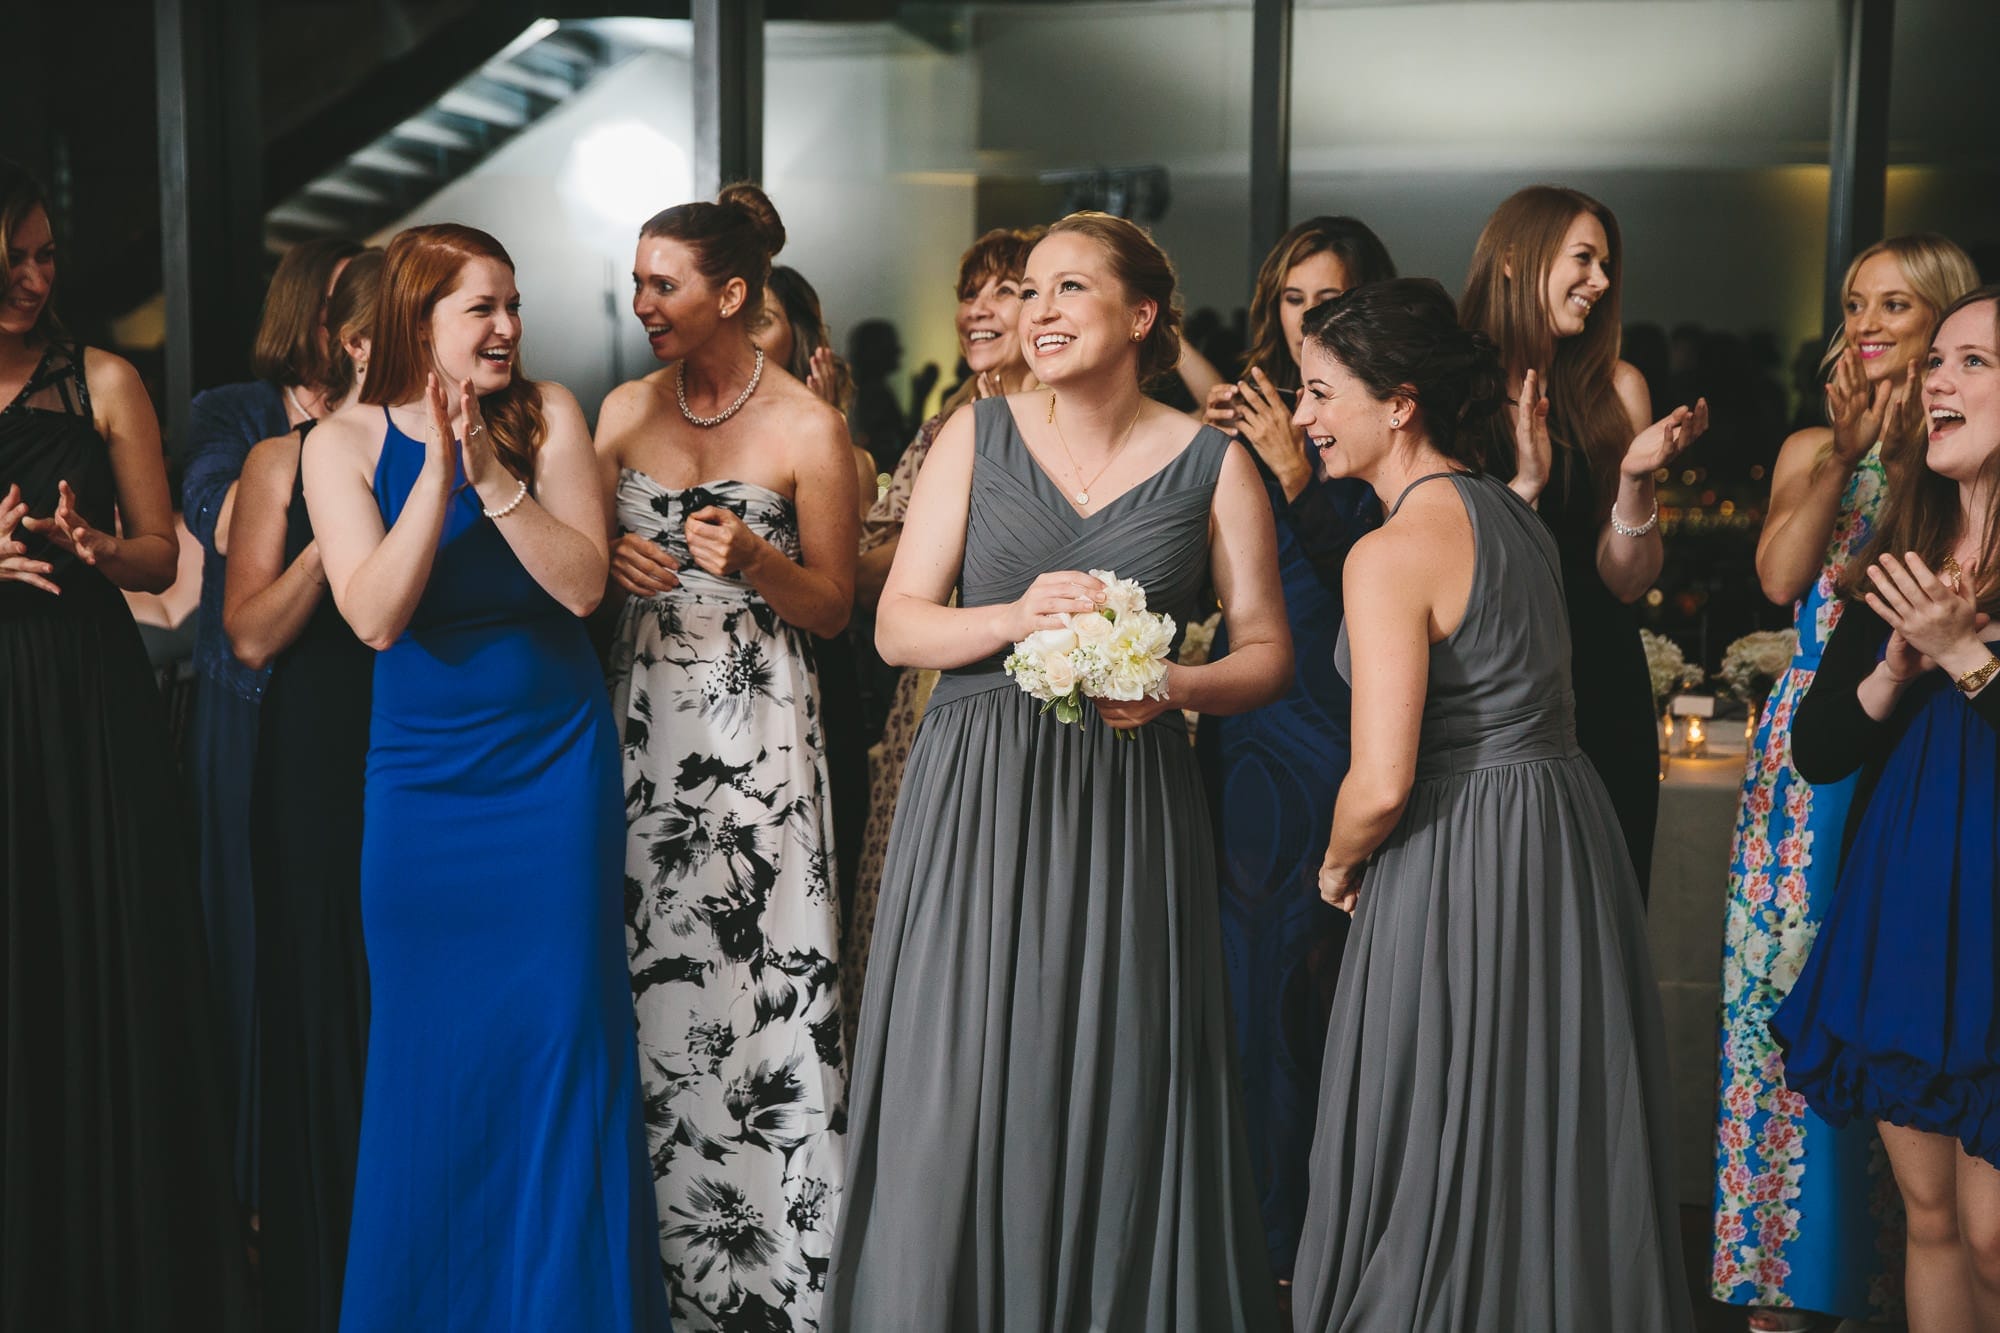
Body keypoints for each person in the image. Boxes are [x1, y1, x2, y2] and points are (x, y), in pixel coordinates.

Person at [825, 212, 1289, 1332]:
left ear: (1139, 317)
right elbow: (895, 627)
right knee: (961, 1077)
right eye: (1027, 291)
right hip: (976, 791)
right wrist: (1010, 614)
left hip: (1127, 796)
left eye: (1066, 289)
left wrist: (1174, 686)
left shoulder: (1210, 462)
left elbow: (1267, 652)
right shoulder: (972, 442)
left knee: (1120, 1077)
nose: (1034, 312)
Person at [1287, 277, 1692, 1332]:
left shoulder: (1387, 555)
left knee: (1437, 1111)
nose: (1302, 419)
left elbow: (1379, 781)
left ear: (1399, 401)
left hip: (1458, 844)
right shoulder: (1513, 521)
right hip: (1562, 833)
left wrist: (1332, 868)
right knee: (1541, 1106)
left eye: (1322, 393)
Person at [301, 223, 669, 1331]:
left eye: (513, 303)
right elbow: (373, 614)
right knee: (433, 1056)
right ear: (418, 322)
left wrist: (496, 475)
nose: (507, 326)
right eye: (481, 309)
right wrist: (435, 473)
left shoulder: (550, 412)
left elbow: (580, 589)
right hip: (422, 793)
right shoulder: (340, 442)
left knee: (563, 1040)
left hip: (552, 777)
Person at [0, 157, 253, 1331]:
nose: (34, 278)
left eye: (47, 255)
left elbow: (165, 555)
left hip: (82, 692)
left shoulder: (100, 378)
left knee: (92, 942)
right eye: (13, 257)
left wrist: (97, 548)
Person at [597, 183, 854, 1331]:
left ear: (731, 294)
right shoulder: (616, 413)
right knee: (650, 978)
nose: (641, 300)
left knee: (759, 989)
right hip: (642, 722)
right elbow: (566, 551)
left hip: (758, 742)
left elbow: (837, 607)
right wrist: (609, 556)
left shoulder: (807, 426)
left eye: (664, 282)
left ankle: (783, 1277)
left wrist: (753, 557)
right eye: (639, 280)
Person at [1714, 234, 1978, 1330]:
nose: (1865, 325)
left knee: (1911, 1022)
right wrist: (1840, 450)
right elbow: (1778, 576)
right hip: (1813, 758)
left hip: (1922, 763)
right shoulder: (1821, 448)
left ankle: (1894, 1278)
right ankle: (1785, 1283)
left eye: (1896, 308)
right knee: (1787, 1013)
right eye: (1853, 304)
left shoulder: (1960, 460)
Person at [1774, 286, 2000, 1333]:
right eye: (1937, 363)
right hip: (1908, 907)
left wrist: (1969, 658)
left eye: (1971, 363)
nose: (1937, 383)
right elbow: (1817, 751)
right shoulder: (1900, 555)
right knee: (1927, 1216)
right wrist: (1894, 669)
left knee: (1996, 1232)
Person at [1190, 215, 1395, 1292]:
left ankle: (1346, 1226)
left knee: (1341, 977)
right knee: (1252, 976)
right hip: (1254, 723)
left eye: (1332, 299)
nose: (1310, 317)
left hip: (1348, 709)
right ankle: (1264, 1237)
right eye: (1292, 300)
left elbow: (1379, 574)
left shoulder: (1379, 425)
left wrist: (1299, 473)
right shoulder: (1249, 418)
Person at [222, 247, 385, 1333]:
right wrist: (338, 535)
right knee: (326, 990)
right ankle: (329, 1274)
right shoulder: (279, 464)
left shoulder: (466, 448)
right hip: (323, 742)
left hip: (442, 732)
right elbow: (247, 636)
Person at [1460, 184, 1708, 899]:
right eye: (1584, 258)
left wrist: (1634, 477)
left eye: (1606, 265)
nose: (1601, 282)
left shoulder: (1616, 387)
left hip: (1599, 677)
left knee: (1605, 907)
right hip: (1484, 686)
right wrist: (1524, 486)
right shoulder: (1443, 387)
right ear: (1512, 258)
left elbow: (1626, 580)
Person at [182, 233, 363, 1205]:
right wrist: (317, 479)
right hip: (246, 706)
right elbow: (212, 516)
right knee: (247, 937)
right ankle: (254, 1182)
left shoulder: (394, 418)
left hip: (349, 713)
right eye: (351, 301)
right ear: (309, 316)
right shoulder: (235, 414)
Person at [842, 224, 1041, 1055]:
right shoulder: (944, 427)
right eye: (971, 291)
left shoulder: (1074, 427)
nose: (979, 309)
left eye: (1006, 290)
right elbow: (872, 568)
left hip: (1044, 699)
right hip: (932, 699)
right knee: (911, 917)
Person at [753, 263, 876, 928]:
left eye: (761, 324)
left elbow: (842, 588)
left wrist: (825, 418)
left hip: (812, 668)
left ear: (800, 342)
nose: (741, 339)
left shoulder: (838, 451)